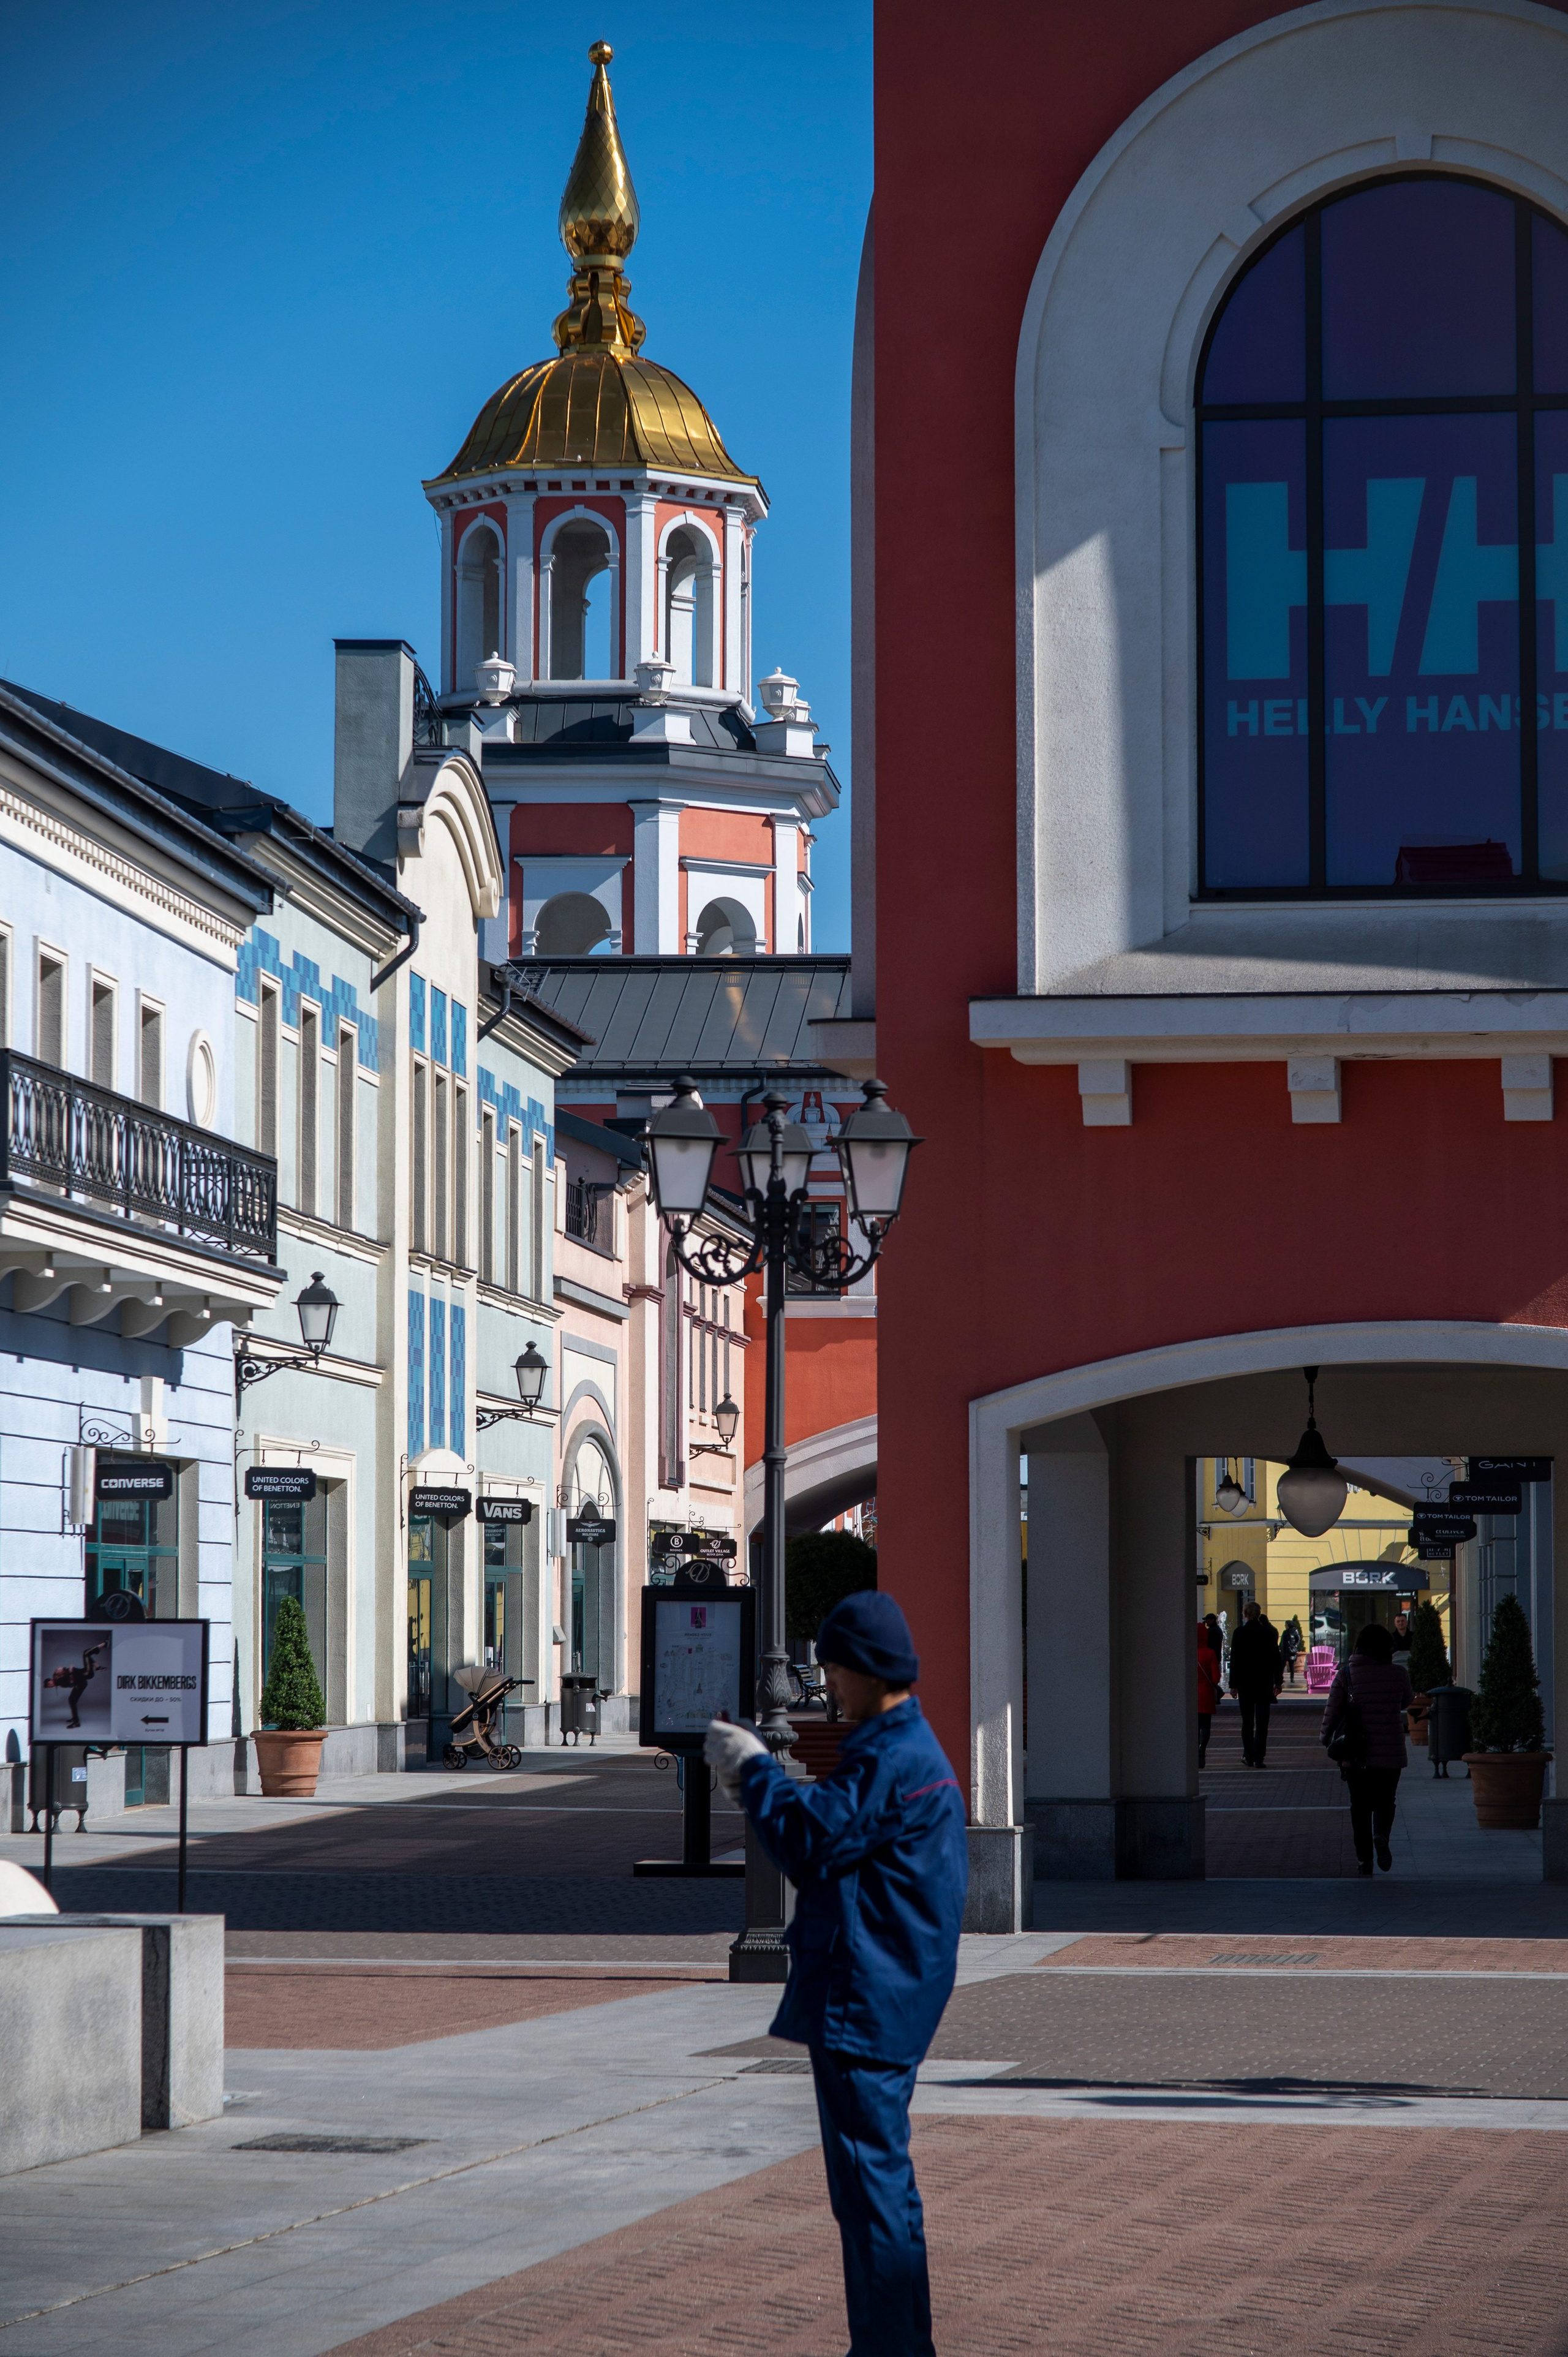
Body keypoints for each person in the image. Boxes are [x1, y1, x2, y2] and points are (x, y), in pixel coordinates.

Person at [705, 1591, 967, 2357]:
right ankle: (898, 2341)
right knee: (884, 2185)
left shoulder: (891, 1756)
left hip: (867, 1998)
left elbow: (810, 1842)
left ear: (859, 1667)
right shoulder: (907, 1751)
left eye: (831, 1668)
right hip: (891, 1992)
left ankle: (889, 2346)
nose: (827, 1685)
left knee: (869, 2190)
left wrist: (754, 1771)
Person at [1321, 1620, 1414, 1874]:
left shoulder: (1346, 1674)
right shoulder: (1399, 1674)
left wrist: (1325, 1737)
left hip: (1356, 1752)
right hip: (1391, 1751)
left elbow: (1332, 1712)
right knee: (1386, 1801)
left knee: (1359, 1807)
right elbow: (1407, 1700)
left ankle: (1364, 1861)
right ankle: (1381, 1834)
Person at [1227, 1598, 1283, 1766]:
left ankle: (1248, 1755)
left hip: (1245, 1683)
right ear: (1259, 1615)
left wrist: (1233, 1684)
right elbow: (1276, 1658)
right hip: (1263, 1682)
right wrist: (1278, 1681)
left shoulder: (1239, 1633)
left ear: (1245, 1615)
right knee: (1262, 1722)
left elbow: (1235, 1659)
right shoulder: (1268, 1633)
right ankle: (1259, 1757)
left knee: (1247, 1721)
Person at [1197, 1619, 1222, 1767]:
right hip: (1206, 1694)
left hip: (1191, 1696)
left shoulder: (1187, 1653)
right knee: (1205, 1725)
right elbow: (1216, 1678)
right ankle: (1202, 1748)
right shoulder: (1209, 1653)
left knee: (1193, 1725)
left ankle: (1193, 1750)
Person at [1280, 1616, 1305, 1688]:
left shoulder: (1294, 1631)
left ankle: (1292, 1678)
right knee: (1282, 1666)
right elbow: (1282, 1641)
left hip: (1291, 1651)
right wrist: (1280, 1646)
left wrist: (1294, 1646)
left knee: (1291, 1666)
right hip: (1284, 1651)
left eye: (1286, 1625)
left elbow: (1298, 1639)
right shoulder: (1285, 1632)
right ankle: (1280, 1678)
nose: (1285, 1626)